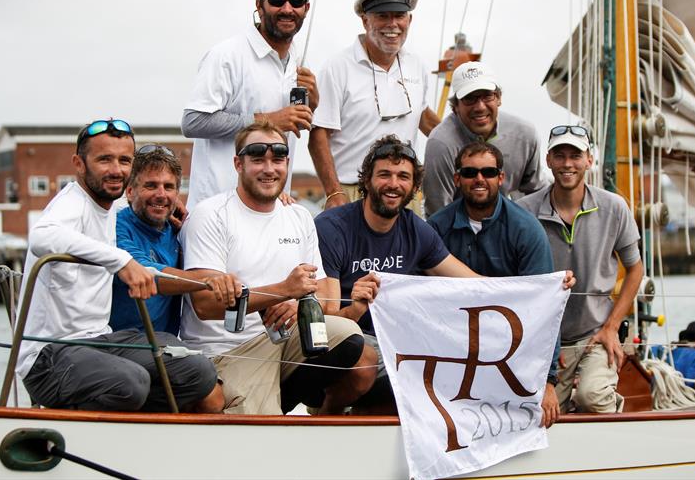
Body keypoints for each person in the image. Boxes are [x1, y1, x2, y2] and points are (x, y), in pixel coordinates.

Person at [16, 119, 222, 413]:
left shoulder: (109, 209)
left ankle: (134, 418)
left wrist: (169, 207)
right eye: (104, 160)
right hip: (48, 354)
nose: (116, 170)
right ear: (79, 163)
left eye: (124, 160)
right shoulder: (72, 202)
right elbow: (42, 235)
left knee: (198, 371)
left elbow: (140, 212)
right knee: (131, 382)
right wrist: (122, 260)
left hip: (100, 339)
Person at [179, 121, 376, 415]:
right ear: (238, 164)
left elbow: (324, 296)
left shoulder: (298, 215)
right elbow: (205, 305)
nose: (269, 168)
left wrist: (298, 305)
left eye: (278, 159)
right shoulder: (211, 215)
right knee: (260, 438)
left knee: (358, 350)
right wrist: (283, 291)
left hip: (286, 338)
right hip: (231, 350)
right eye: (257, 159)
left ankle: (322, 423)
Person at [315, 135, 478, 412]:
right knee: (377, 362)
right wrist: (356, 308)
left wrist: (539, 288)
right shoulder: (332, 227)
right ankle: (325, 417)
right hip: (345, 341)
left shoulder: (416, 229)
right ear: (366, 181)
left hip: (393, 343)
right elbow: (326, 318)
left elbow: (471, 283)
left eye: (403, 176)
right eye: (384, 175)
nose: (393, 184)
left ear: (414, 188)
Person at [427, 141, 561, 428]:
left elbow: (545, 309)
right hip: (454, 347)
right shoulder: (436, 228)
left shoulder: (527, 230)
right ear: (457, 178)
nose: (479, 179)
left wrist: (548, 381)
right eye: (470, 172)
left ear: (501, 178)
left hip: (510, 346)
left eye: (488, 172)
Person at [517, 125, 644, 413]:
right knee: (539, 412)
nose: (567, 164)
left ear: (589, 160)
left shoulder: (614, 207)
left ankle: (612, 414)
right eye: (559, 156)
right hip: (546, 338)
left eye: (575, 155)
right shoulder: (524, 211)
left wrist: (612, 328)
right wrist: (540, 343)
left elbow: (635, 269)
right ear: (548, 160)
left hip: (595, 333)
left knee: (593, 397)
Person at [182, 0, 318, 207]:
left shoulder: (298, 62)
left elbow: (291, 126)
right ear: (259, 5)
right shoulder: (227, 55)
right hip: (217, 209)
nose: (287, 9)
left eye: (297, 2)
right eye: (277, 1)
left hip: (271, 210)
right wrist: (269, 120)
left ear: (306, 8)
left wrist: (313, 105)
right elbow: (193, 122)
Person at [309, 0, 440, 213]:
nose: (392, 24)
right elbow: (318, 135)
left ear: (409, 19)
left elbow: (423, 117)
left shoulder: (416, 66)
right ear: (364, 20)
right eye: (382, 16)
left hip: (402, 191)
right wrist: (334, 192)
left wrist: (468, 146)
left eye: (399, 15)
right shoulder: (338, 67)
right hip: (351, 192)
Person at [110, 145, 240, 335]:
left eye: (169, 187)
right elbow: (148, 275)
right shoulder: (115, 228)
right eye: (151, 186)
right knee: (200, 366)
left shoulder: (179, 230)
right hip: (119, 342)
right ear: (129, 191)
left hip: (164, 345)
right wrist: (210, 280)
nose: (161, 194)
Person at [423, 61, 547, 217]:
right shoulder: (440, 144)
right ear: (455, 106)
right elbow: (438, 214)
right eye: (470, 98)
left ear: (499, 98)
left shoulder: (525, 135)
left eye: (487, 96)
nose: (480, 106)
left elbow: (537, 195)